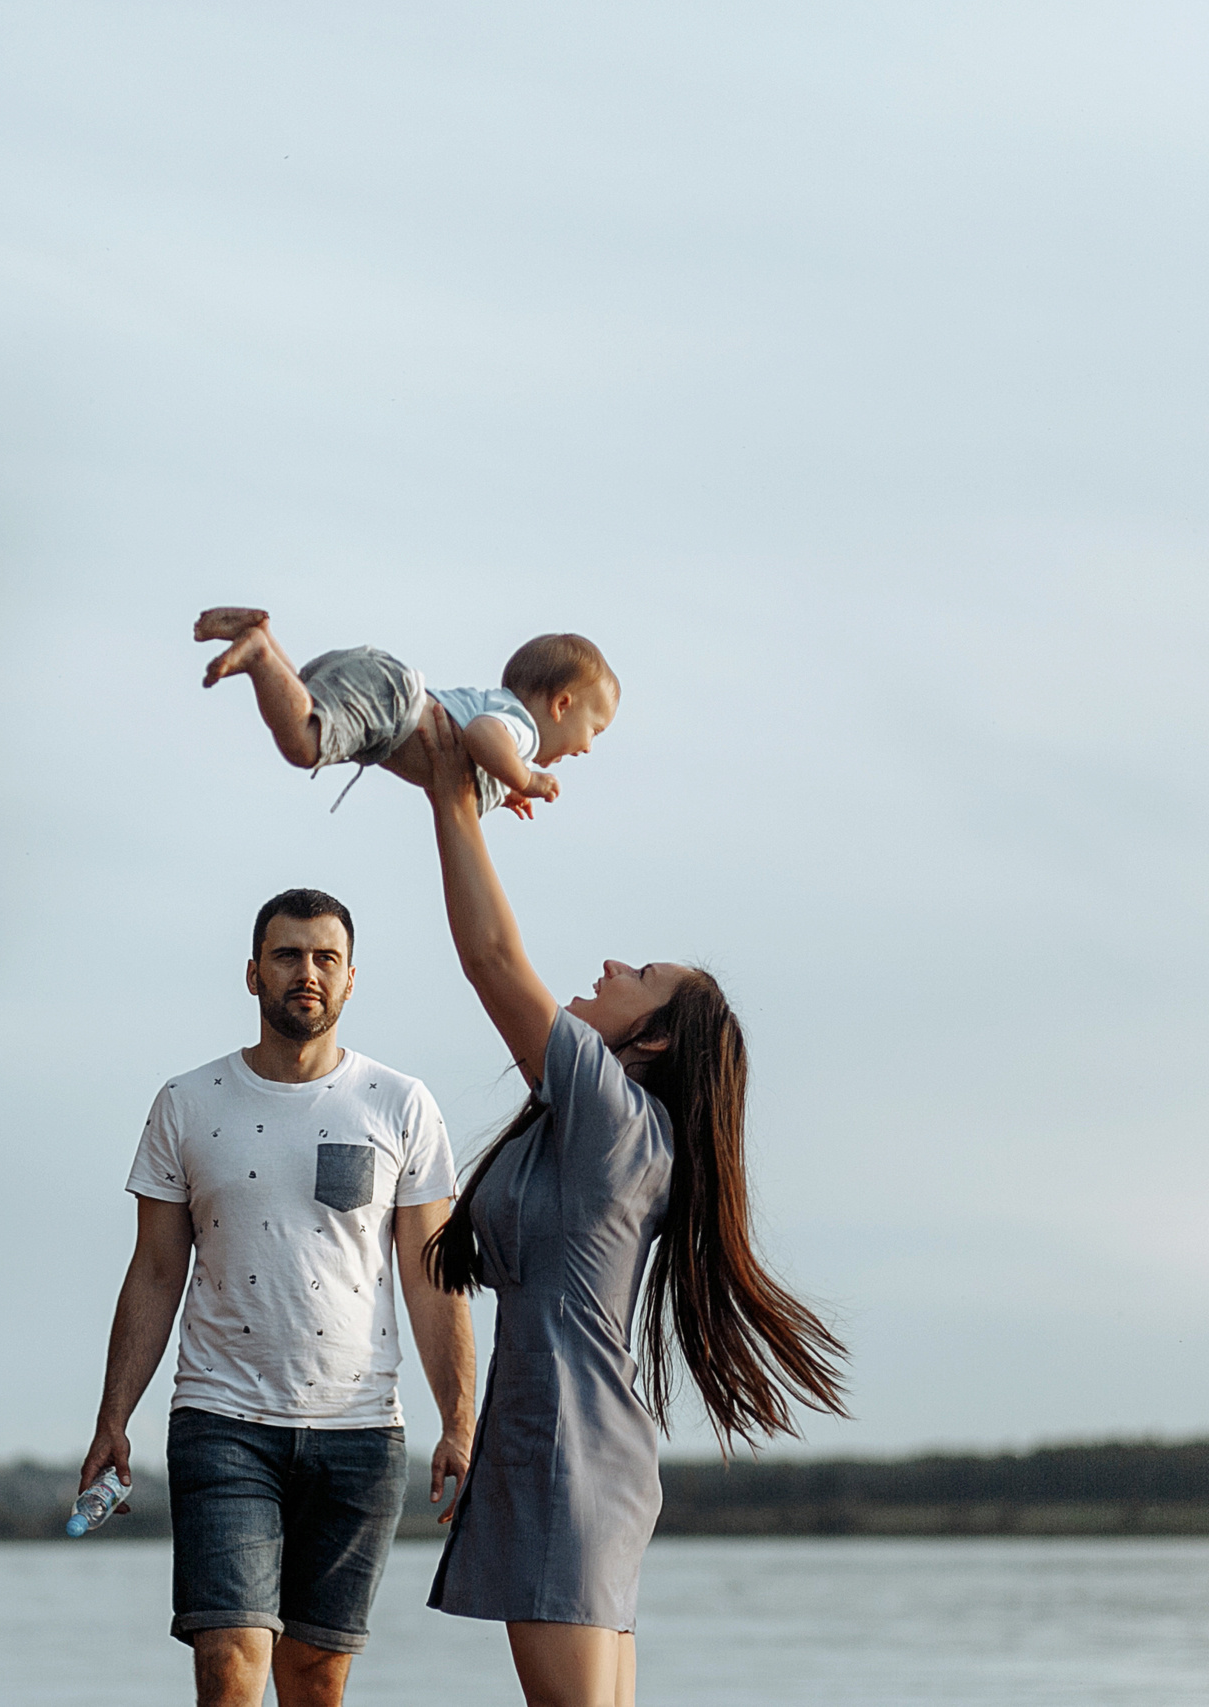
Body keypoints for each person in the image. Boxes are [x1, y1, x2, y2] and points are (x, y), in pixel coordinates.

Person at [403, 705, 849, 1707]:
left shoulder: (614, 1116)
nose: (609, 967)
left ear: (653, 1041)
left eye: (639, 977)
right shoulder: (608, 1130)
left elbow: (491, 959)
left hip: (563, 1445)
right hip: (569, 1441)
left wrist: (452, 799)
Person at [80, 887, 476, 1707]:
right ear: (253, 972)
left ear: (351, 978)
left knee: (316, 1679)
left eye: (326, 957)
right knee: (230, 1662)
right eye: (288, 955)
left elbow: (430, 1276)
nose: (308, 972)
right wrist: (113, 1416)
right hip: (221, 1419)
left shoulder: (400, 1103)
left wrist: (461, 1421)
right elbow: (155, 1270)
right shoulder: (188, 1102)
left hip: (361, 1430)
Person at [193, 606, 617, 819]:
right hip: (392, 701)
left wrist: (505, 791)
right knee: (305, 743)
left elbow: (480, 751)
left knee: (300, 703)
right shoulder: (521, 730)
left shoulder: (504, 720)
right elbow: (482, 736)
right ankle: (260, 655)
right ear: (562, 705)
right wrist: (526, 778)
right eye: (594, 731)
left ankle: (263, 636)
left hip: (383, 688)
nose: (588, 748)